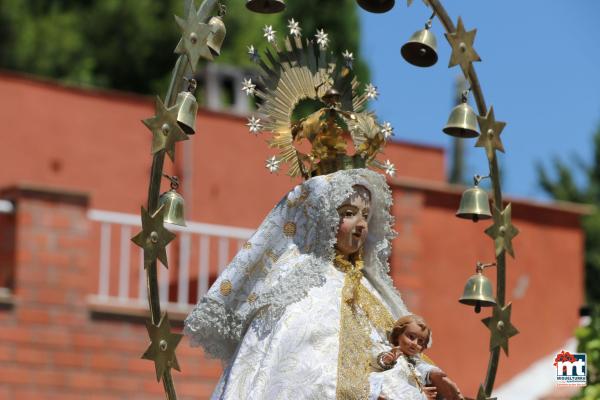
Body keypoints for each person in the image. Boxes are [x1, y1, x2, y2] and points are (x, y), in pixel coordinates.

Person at [184, 168, 463, 399]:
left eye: (366, 215)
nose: (361, 224)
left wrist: (431, 375)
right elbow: (301, 373)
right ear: (320, 217)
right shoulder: (297, 290)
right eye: (349, 212)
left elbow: (395, 349)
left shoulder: (371, 290)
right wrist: (369, 392)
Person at [369, 315, 462, 400]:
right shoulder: (388, 349)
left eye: (420, 342)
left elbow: (411, 382)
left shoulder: (413, 363)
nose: (415, 343)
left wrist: (420, 391)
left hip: (404, 391)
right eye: (411, 337)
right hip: (387, 384)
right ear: (398, 334)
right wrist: (386, 360)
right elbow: (374, 359)